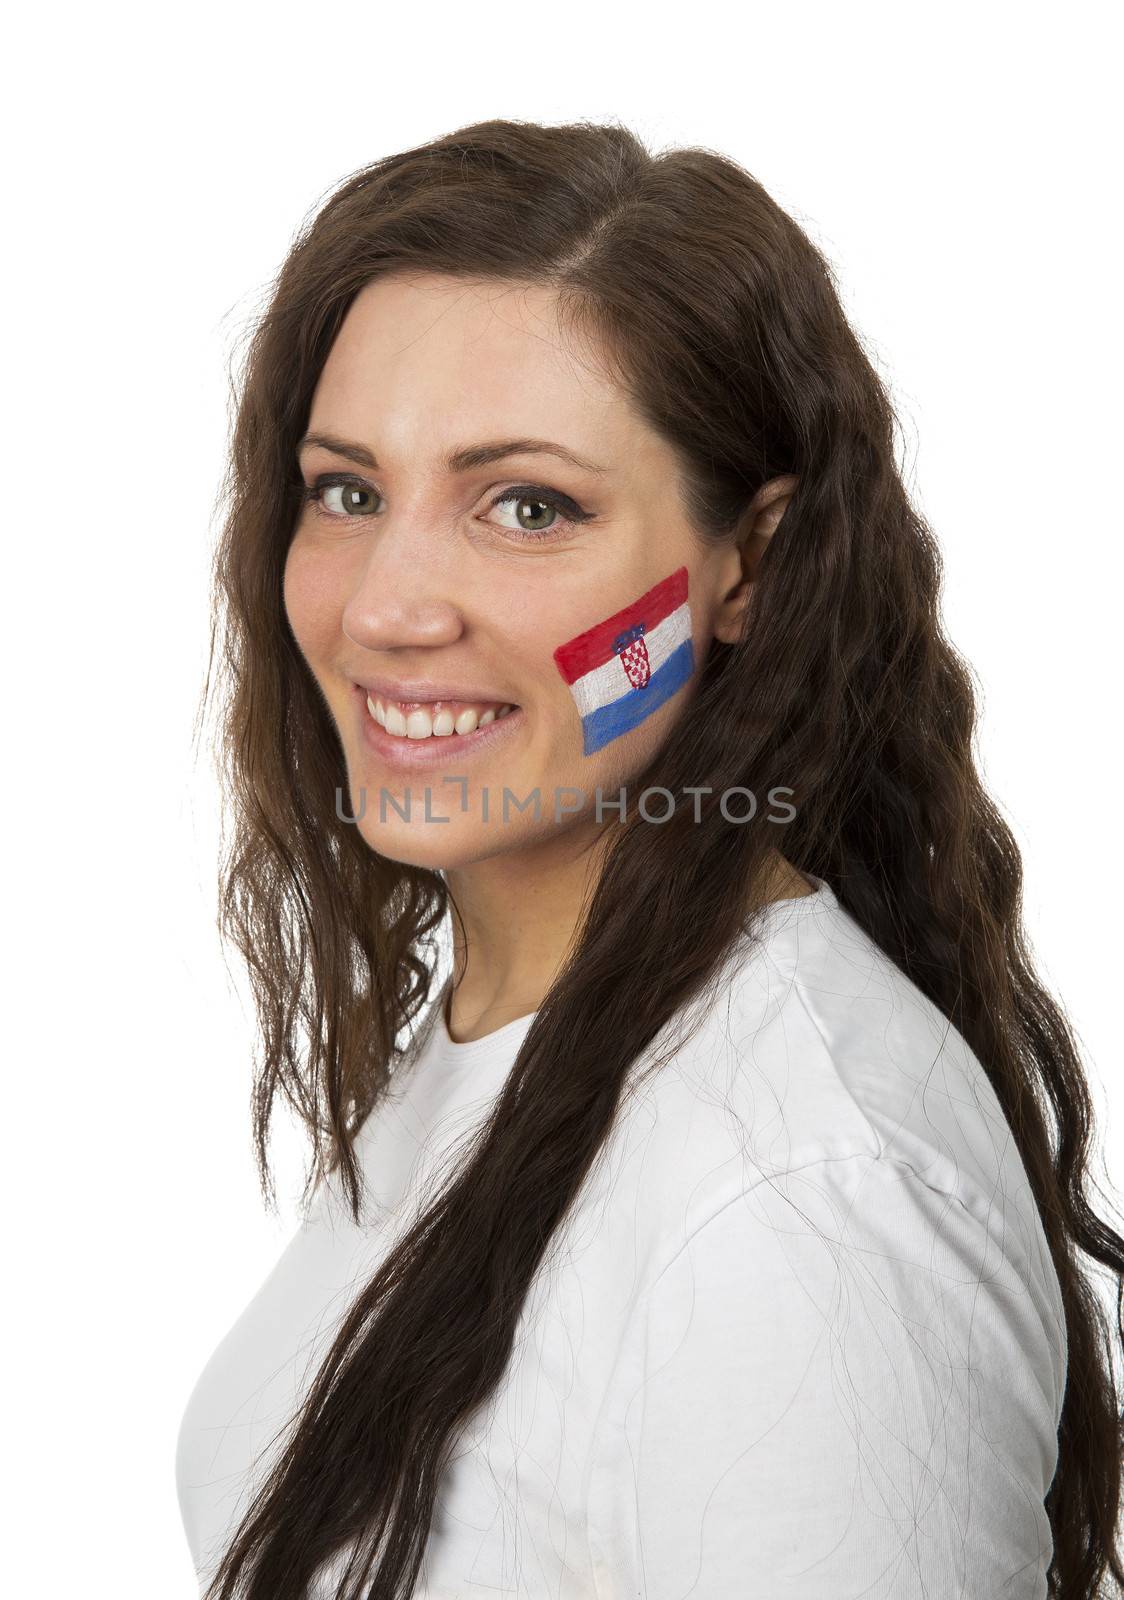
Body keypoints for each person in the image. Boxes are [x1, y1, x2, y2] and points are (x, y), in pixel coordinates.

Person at [176, 118, 1123, 1600]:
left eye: (528, 505)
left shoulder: (799, 1197)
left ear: (746, 565)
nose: (384, 608)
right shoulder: (511, 1032)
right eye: (347, 490)